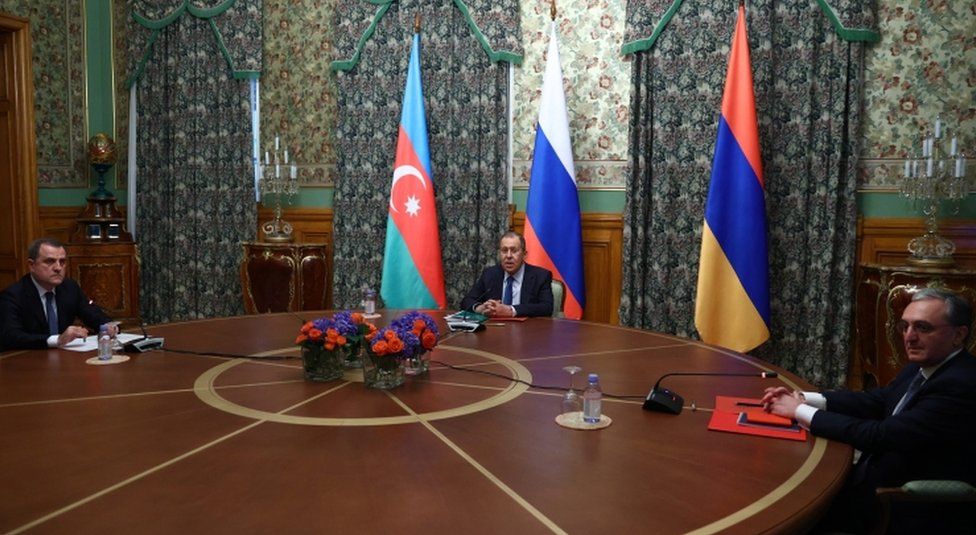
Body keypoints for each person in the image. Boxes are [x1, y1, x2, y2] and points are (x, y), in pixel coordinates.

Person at [761, 287, 975, 534]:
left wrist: (799, 411)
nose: (909, 337)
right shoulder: (925, 365)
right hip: (869, 483)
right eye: (904, 326)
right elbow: (878, 400)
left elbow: (880, 436)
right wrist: (806, 399)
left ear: (959, 335)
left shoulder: (961, 384)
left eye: (922, 328)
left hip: (904, 507)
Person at [0, 238, 114, 350]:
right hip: (26, 360)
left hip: (64, 358)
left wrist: (107, 326)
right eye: (50, 261)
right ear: (31, 265)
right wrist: (57, 340)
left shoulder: (69, 287)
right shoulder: (13, 296)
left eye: (62, 262)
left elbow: (90, 313)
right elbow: (11, 336)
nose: (58, 268)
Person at [460, 231, 554, 318]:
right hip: (495, 330)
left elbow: (546, 308)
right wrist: (480, 308)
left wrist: (511, 311)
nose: (508, 256)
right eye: (504, 250)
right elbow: (467, 301)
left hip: (527, 331)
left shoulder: (541, 276)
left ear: (524, 254)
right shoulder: (490, 274)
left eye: (514, 250)